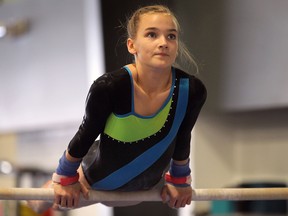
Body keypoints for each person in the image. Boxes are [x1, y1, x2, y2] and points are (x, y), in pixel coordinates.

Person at [28, 4, 207, 213]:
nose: (163, 43)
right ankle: (32, 199)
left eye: (171, 36)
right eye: (151, 35)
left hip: (148, 184)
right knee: (42, 202)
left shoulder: (191, 90)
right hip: (95, 181)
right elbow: (85, 135)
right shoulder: (110, 86)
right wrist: (64, 178)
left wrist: (180, 180)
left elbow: (183, 138)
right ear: (132, 45)